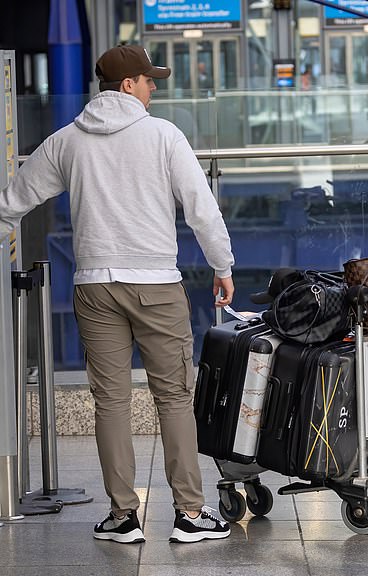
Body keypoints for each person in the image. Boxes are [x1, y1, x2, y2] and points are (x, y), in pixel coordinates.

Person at [0, 45, 235, 544]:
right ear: (127, 84)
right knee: (173, 397)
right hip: (155, 283)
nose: (154, 89)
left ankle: (123, 515)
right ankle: (190, 513)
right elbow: (201, 207)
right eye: (149, 81)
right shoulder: (163, 136)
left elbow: (13, 201)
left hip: (94, 285)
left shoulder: (66, 141)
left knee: (110, 401)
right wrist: (222, 265)